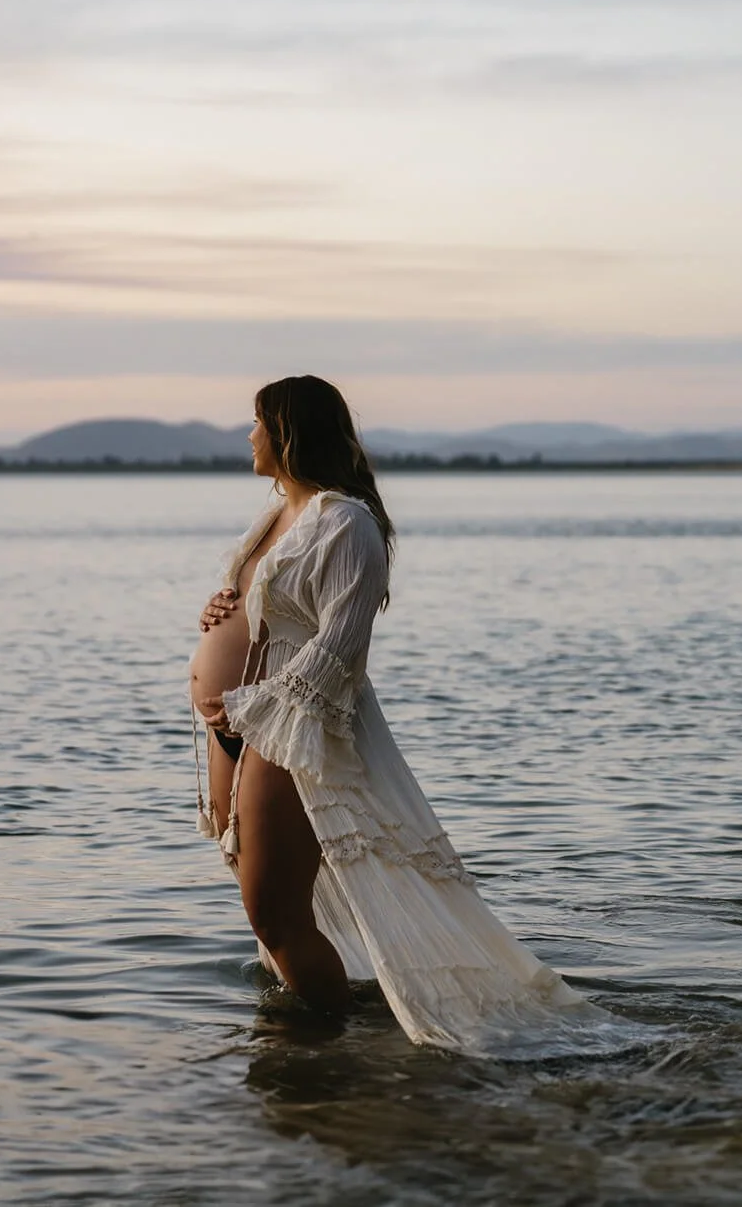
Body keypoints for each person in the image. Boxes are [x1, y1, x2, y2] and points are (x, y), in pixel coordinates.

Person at [189, 375, 613, 1056]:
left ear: (290, 432)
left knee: (275, 912)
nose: (248, 436)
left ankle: (328, 1047)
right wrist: (220, 608)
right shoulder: (273, 517)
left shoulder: (345, 521)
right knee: (265, 906)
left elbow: (340, 648)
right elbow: (264, 605)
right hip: (237, 727)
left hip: (288, 727)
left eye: (258, 423)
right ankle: (313, 1037)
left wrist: (251, 709)